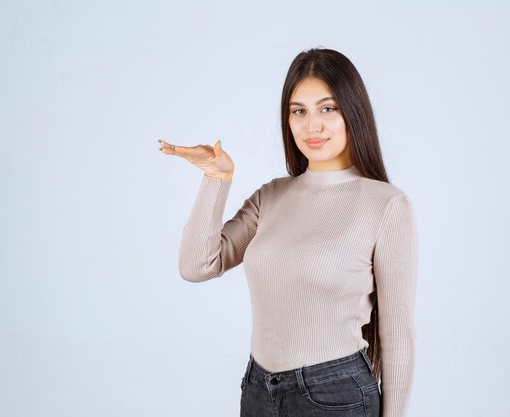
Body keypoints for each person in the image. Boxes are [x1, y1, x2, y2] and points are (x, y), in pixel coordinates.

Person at [158, 47, 418, 417]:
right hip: (259, 390)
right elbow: (197, 265)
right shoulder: (271, 196)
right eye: (299, 111)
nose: (313, 125)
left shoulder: (387, 205)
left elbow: (397, 337)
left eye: (327, 108)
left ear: (352, 112)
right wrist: (216, 178)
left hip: (336, 397)